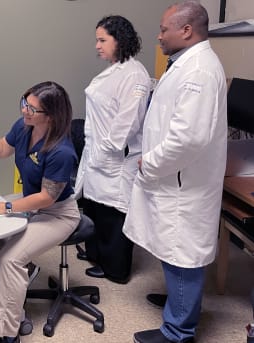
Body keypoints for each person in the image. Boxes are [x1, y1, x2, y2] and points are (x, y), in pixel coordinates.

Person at [123, 2, 227, 343]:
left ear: (186, 30)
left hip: (183, 183)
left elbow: (188, 138)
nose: (158, 35)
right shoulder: (187, 64)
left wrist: (149, 163)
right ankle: (180, 305)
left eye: (164, 29)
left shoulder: (198, 71)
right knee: (173, 247)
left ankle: (178, 331)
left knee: (183, 253)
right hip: (176, 178)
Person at [0, 81, 81, 343]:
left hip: (58, 213)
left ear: (52, 116)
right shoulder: (24, 127)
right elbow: (1, 149)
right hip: (31, 200)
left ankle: (6, 335)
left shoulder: (61, 151)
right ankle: (17, 299)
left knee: (10, 259)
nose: (25, 111)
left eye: (33, 109)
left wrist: (7, 206)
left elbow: (47, 198)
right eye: (25, 103)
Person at [73, 15, 150, 284]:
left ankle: (115, 269)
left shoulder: (135, 75)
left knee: (113, 214)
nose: (97, 46)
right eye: (97, 40)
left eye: (103, 40)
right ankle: (96, 255)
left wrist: (106, 149)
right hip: (99, 152)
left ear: (120, 40)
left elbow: (127, 122)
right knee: (95, 207)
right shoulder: (115, 69)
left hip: (116, 157)